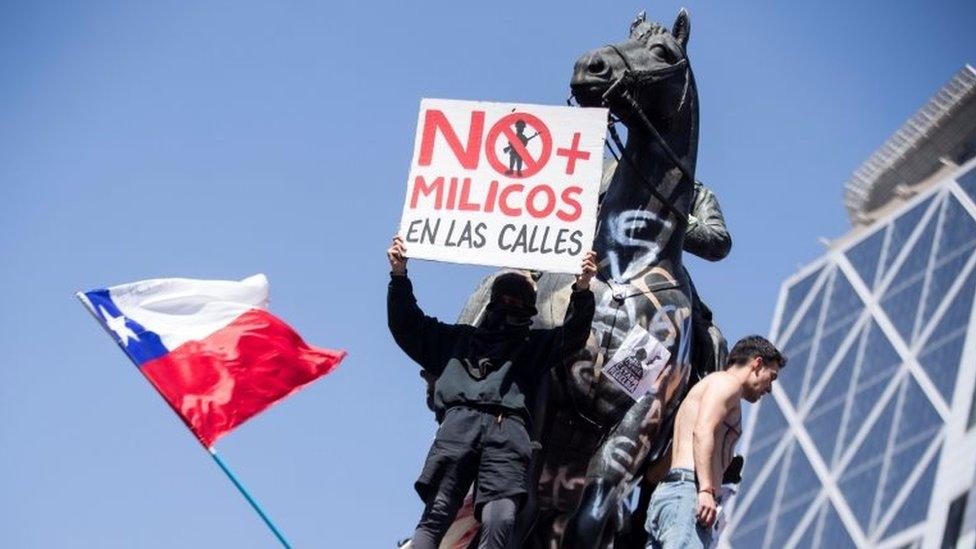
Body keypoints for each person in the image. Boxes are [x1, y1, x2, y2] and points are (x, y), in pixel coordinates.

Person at [387, 236, 596, 549]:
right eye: (503, 300)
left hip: (507, 433)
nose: (508, 307)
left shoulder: (531, 348)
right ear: (491, 303)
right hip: (460, 426)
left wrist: (582, 289)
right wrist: (399, 275)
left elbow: (573, 334)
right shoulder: (456, 340)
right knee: (439, 513)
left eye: (518, 304)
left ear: (528, 313)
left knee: (500, 518)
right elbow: (407, 324)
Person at [644, 335, 786, 549]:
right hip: (689, 496)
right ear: (757, 364)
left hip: (672, 495)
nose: (770, 389)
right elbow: (703, 431)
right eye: (771, 377)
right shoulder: (727, 384)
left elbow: (664, 466)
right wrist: (707, 490)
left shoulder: (708, 387)